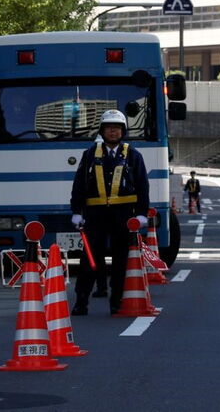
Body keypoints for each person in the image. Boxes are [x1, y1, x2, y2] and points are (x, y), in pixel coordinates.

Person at [70, 109, 149, 316]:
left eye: (116, 128)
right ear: (102, 131)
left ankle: (117, 301)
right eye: (108, 128)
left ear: (123, 131)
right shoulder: (89, 154)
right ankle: (81, 301)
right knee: (89, 259)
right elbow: (79, 184)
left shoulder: (133, 155)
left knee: (121, 259)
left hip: (123, 215)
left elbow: (142, 186)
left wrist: (141, 214)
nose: (112, 132)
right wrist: (76, 211)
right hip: (95, 214)